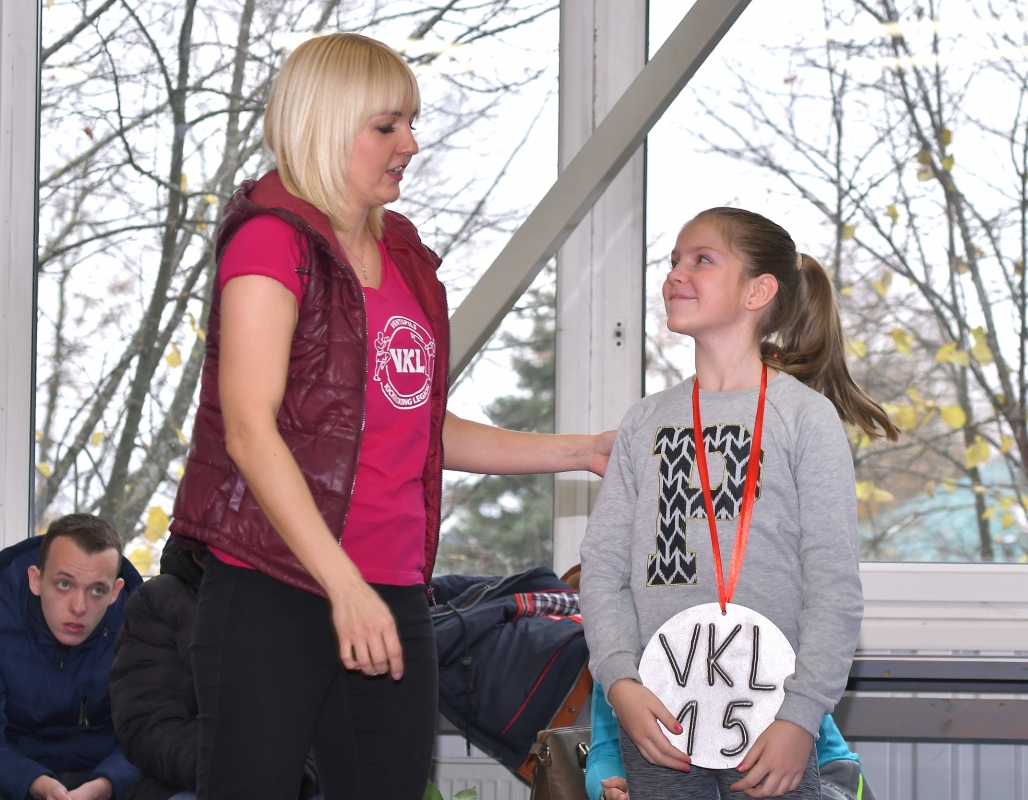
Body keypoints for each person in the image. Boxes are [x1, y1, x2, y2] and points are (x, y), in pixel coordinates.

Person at [166, 32, 613, 800]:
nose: (410, 143)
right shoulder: (270, 241)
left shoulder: (403, 255)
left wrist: (579, 450)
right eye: (387, 126)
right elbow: (249, 429)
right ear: (325, 126)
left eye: (411, 122)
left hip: (391, 589)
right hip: (275, 588)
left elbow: (416, 424)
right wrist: (342, 585)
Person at [579, 208, 898, 800]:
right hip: (659, 716)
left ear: (758, 291)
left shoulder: (804, 418)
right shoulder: (645, 421)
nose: (675, 273)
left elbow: (833, 584)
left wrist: (801, 717)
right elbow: (602, 569)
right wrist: (620, 682)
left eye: (702, 259)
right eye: (674, 260)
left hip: (770, 722)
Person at [109, 538, 320, 800]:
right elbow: (147, 724)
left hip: (295, 780)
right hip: (187, 782)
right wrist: (243, 771)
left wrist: (292, 774)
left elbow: (330, 721)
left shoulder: (302, 601)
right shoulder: (159, 599)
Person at [0, 514, 142, 800]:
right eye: (64, 585)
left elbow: (146, 734)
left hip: (106, 779)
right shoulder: (4, 611)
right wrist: (37, 783)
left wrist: (104, 785)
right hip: (12, 776)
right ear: (36, 580)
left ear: (115, 592)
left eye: (97, 590)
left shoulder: (139, 623)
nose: (79, 607)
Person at [584, 684, 876, 800]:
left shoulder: (762, 627)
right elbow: (605, 751)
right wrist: (610, 792)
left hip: (828, 777)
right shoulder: (619, 661)